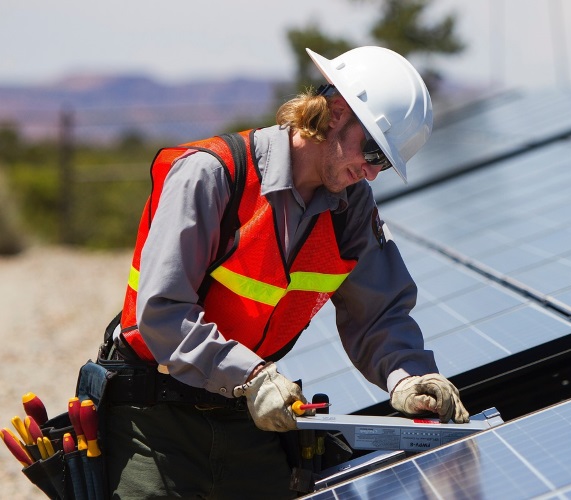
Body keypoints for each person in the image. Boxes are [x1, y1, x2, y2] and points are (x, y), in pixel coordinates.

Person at [96, 46, 469, 499]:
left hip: (245, 413)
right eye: (371, 150)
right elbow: (162, 312)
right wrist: (250, 376)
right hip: (155, 415)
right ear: (334, 114)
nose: (371, 173)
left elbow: (377, 313)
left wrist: (410, 375)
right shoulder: (212, 175)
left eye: (384, 163)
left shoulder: (350, 207)